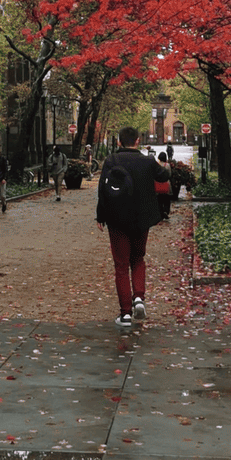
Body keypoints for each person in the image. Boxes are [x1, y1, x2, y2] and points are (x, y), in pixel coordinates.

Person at [96, 126, 169, 330]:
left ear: (119, 142)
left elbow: (103, 189)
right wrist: (161, 163)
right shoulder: (147, 161)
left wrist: (100, 216)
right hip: (141, 219)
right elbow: (163, 176)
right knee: (138, 259)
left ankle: (125, 313)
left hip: (117, 220)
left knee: (121, 265)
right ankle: (139, 298)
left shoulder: (112, 161)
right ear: (138, 141)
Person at [155, 151, 173, 221]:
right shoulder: (167, 165)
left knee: (159, 200)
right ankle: (166, 211)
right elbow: (170, 174)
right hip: (166, 184)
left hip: (157, 184)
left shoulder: (156, 164)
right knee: (166, 199)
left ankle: (160, 213)